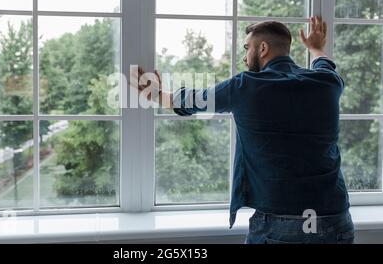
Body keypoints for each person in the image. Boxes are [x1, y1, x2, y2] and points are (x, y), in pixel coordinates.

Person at [132, 16, 354, 244]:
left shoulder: (246, 86)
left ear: (263, 48)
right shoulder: (327, 83)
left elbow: (197, 100)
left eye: (248, 48)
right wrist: (316, 48)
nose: (245, 57)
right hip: (336, 218)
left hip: (283, 222)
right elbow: (324, 65)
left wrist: (158, 95)